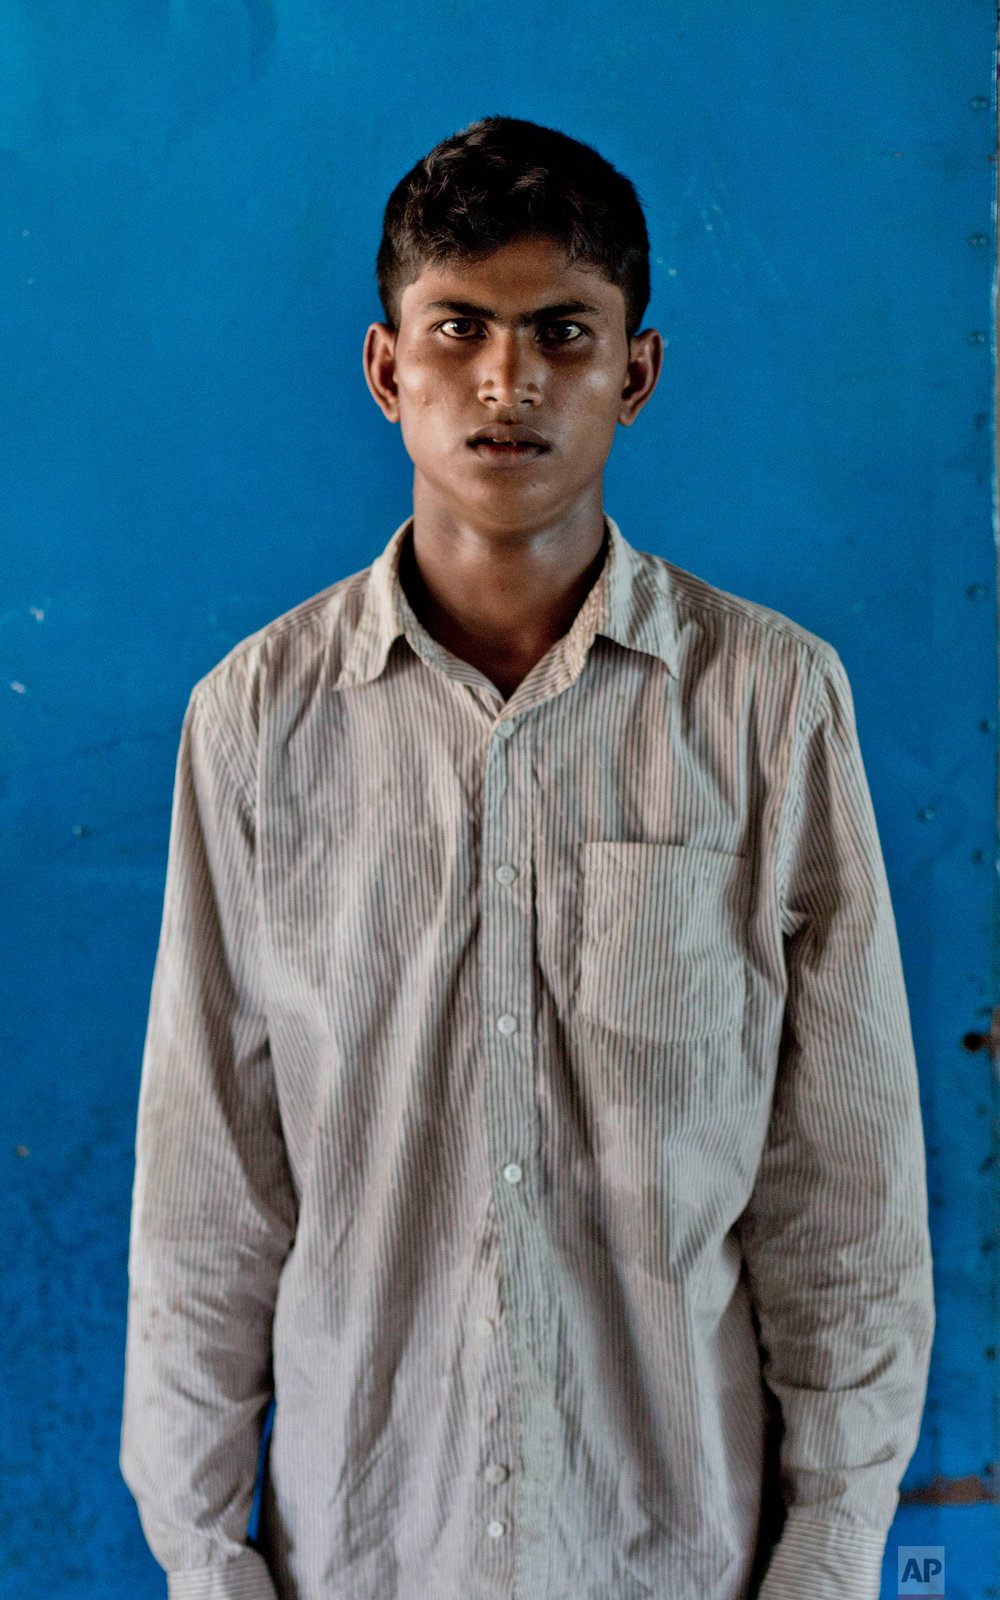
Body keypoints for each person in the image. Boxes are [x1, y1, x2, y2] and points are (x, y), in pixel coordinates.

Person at [121, 116, 934, 1600]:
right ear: (386, 371)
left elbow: (846, 1190)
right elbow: (209, 1193)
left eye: (563, 331)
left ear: (637, 371)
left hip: (679, 1550)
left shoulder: (768, 707)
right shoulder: (255, 722)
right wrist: (201, 1558)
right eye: (459, 331)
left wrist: (831, 1547)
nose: (508, 382)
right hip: (358, 1551)